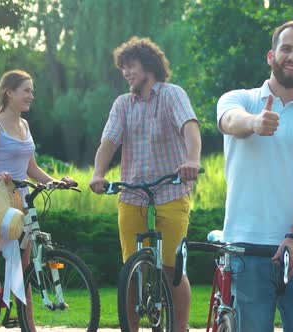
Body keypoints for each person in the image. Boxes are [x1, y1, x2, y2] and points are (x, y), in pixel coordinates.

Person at [216, 20, 293, 332]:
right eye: (286, 48)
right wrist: (255, 123)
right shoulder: (238, 99)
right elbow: (231, 122)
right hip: (245, 250)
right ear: (271, 56)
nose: (292, 56)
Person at [88, 36, 201, 332]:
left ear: (149, 65)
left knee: (170, 268)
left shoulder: (172, 95)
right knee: (131, 270)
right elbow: (109, 142)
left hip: (171, 193)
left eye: (131, 66)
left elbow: (190, 127)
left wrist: (192, 160)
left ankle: (179, 327)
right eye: (122, 68)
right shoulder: (123, 104)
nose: (126, 72)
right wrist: (98, 174)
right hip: (131, 195)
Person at [0, 69, 76, 332]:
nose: (32, 95)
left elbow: (32, 169)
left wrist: (56, 182)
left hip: (23, 202)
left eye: (32, 90)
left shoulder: (24, 126)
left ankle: (29, 328)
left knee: (25, 271)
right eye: (26, 90)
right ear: (9, 93)